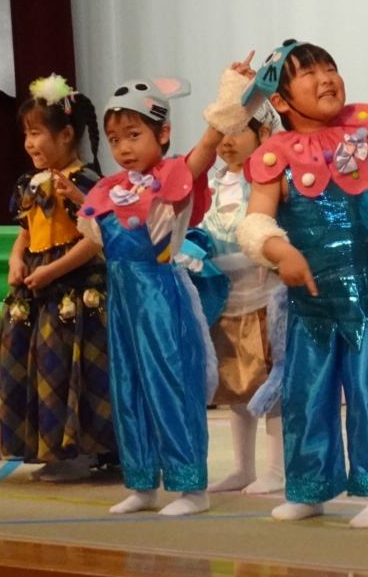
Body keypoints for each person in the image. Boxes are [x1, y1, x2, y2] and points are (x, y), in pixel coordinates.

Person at [236, 0, 368, 528]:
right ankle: (308, 487)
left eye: (329, 67)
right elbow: (255, 220)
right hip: (310, 301)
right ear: (281, 101)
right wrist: (279, 251)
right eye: (308, 73)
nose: (325, 77)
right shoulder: (273, 154)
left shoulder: (359, 125)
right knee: (307, 394)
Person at [78, 64, 253, 516]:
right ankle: (142, 483)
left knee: (171, 386)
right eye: (114, 139)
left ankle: (191, 487)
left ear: (163, 133)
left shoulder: (174, 176)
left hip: (161, 299)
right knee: (129, 389)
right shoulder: (108, 190)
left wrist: (233, 88)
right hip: (123, 305)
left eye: (133, 135)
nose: (123, 147)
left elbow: (210, 142)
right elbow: (96, 239)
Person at [0, 75, 115, 481]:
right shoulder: (28, 184)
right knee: (40, 367)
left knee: (71, 368)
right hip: (37, 290)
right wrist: (15, 261)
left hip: (75, 291)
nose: (29, 143)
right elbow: (25, 233)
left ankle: (81, 451)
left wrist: (53, 270)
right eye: (26, 135)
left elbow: (94, 239)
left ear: (67, 135)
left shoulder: (85, 182)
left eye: (36, 133)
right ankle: (51, 448)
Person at [202, 93, 286, 495]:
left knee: (272, 382)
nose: (226, 141)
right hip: (227, 296)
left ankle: (277, 469)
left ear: (264, 132)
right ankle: (243, 467)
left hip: (267, 294)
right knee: (236, 382)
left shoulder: (270, 181)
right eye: (221, 131)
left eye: (237, 130)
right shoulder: (213, 184)